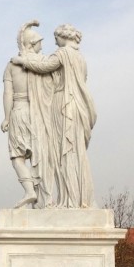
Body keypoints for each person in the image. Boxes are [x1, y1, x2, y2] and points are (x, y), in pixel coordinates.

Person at [12, 23, 96, 208]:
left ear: (63, 36)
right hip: (78, 106)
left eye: (56, 37)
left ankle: (71, 201)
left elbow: (44, 67)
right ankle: (81, 199)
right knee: (76, 153)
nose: (54, 41)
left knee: (64, 153)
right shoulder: (80, 58)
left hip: (64, 104)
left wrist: (22, 61)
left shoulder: (63, 54)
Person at [1, 20, 49, 208]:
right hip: (38, 114)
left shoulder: (12, 65)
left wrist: (6, 117)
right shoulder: (43, 62)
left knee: (18, 157)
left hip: (19, 112)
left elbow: (8, 93)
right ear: (31, 44)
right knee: (39, 156)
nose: (42, 46)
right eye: (39, 42)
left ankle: (30, 191)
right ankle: (43, 197)